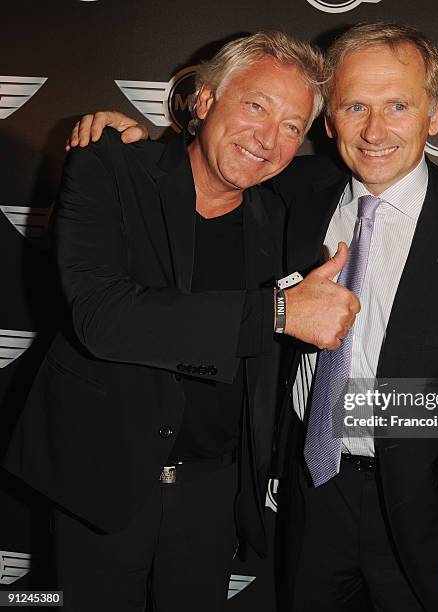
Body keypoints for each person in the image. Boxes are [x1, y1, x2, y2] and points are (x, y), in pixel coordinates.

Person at [66, 22, 438, 612]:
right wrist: (134, 141)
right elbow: (217, 160)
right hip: (311, 491)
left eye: (398, 105)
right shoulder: (297, 192)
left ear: (436, 113)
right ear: (330, 122)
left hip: (429, 508)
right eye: (354, 107)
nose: (375, 130)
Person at [3, 32, 360, 612]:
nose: (268, 139)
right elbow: (102, 317)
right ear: (203, 100)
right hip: (103, 476)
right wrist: (276, 312)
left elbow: (380, 159)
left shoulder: (286, 210)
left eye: (292, 126)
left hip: (215, 493)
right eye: (255, 106)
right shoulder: (111, 168)